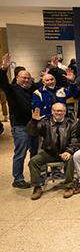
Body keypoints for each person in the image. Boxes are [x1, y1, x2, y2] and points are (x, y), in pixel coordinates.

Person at [0, 53, 42, 188]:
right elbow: (2, 82)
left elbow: (44, 82)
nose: (26, 80)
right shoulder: (11, 90)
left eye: (29, 78)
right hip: (21, 127)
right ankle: (18, 178)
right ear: (17, 78)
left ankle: (36, 175)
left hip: (35, 126)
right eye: (24, 78)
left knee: (35, 153)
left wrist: (53, 69)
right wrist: (4, 68)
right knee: (20, 153)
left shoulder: (33, 89)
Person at [25, 104, 79, 199]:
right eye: (56, 111)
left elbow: (75, 140)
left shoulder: (71, 123)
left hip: (65, 151)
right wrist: (33, 121)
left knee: (70, 159)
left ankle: (68, 187)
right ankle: (37, 187)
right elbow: (31, 132)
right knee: (34, 161)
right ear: (52, 111)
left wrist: (68, 151)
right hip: (49, 152)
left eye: (61, 111)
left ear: (65, 112)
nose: (59, 113)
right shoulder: (45, 122)